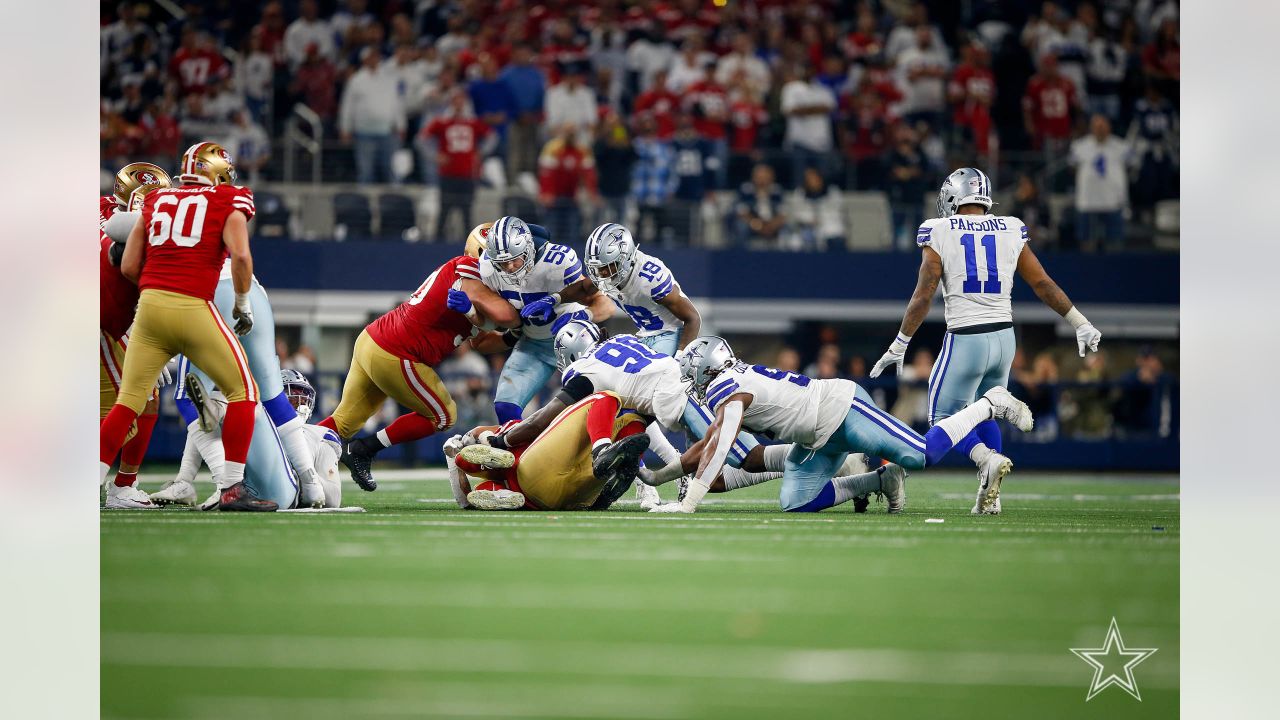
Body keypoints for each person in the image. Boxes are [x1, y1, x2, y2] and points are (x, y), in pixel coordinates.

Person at [868, 167, 1104, 514]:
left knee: (943, 419)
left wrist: (901, 342)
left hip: (967, 338)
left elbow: (924, 293)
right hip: (1005, 339)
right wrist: (1079, 322)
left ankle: (985, 461)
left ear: (953, 197)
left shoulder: (940, 229)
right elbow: (1042, 283)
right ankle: (993, 498)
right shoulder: (1010, 226)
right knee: (987, 410)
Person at [650, 336, 1035, 514]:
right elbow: (710, 446)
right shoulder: (732, 382)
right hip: (817, 436)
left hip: (842, 409)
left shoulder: (726, 389)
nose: (693, 384)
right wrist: (656, 478)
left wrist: (688, 505)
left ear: (706, 370)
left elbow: (719, 445)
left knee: (920, 455)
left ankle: (989, 404)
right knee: (794, 501)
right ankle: (877, 481)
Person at [100, 142, 274, 511]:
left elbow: (129, 266)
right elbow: (241, 256)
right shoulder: (230, 199)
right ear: (218, 173)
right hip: (192, 305)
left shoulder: (156, 201)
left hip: (148, 310)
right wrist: (242, 303)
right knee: (244, 391)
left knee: (128, 402)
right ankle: (231, 488)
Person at [316, 254, 519, 490]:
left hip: (373, 339)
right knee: (444, 415)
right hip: (396, 353)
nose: (508, 268)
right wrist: (525, 318)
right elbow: (508, 316)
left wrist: (498, 327)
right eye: (502, 260)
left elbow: (482, 340)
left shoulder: (467, 281)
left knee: (343, 422)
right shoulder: (469, 271)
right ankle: (364, 449)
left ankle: (293, 457)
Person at [476, 216, 612, 424]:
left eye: (515, 258)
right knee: (505, 406)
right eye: (503, 263)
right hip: (533, 343)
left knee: (599, 406)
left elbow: (605, 303)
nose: (510, 267)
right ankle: (521, 456)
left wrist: (584, 315)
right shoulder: (488, 269)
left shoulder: (557, 262)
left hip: (574, 341)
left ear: (529, 249)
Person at [99, 162, 173, 509]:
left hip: (110, 321)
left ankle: (125, 485)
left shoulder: (103, 208)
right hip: (100, 322)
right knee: (128, 403)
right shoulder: (137, 228)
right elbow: (139, 280)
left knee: (147, 396)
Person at [445, 392, 652, 512]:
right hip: (577, 495)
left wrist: (453, 457)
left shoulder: (509, 430)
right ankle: (611, 467)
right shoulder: (517, 427)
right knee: (617, 407)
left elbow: (464, 501)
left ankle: (501, 490)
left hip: (533, 491)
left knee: (467, 463)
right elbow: (532, 426)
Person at [576, 223, 701, 354]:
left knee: (652, 370)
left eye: (606, 267)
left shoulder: (650, 279)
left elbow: (693, 318)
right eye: (597, 268)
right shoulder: (606, 276)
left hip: (671, 333)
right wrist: (558, 299)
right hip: (644, 335)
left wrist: (681, 357)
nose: (602, 274)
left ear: (624, 259)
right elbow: (583, 289)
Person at [421, 89, 493, 242]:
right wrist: (435, 156)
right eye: (455, 101)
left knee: (467, 212)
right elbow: (422, 139)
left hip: (467, 173)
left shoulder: (472, 122)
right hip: (447, 173)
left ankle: (469, 247)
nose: (459, 105)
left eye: (461, 101)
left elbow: (492, 137)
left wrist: (480, 152)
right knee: (444, 210)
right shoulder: (442, 122)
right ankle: (437, 242)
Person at [339, 47, 405, 184]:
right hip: (364, 133)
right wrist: (345, 128)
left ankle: (395, 203)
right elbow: (347, 106)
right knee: (365, 171)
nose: (374, 59)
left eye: (376, 56)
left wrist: (401, 124)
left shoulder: (389, 78)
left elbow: (396, 102)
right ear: (364, 60)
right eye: (370, 56)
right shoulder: (356, 80)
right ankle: (363, 204)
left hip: (387, 132)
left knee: (391, 170)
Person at [1070, 114, 1131, 251]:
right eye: (1097, 127)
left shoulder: (1122, 147)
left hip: (1113, 203)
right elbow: (1072, 167)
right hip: (1087, 203)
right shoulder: (1079, 146)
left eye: (1103, 126)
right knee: (1086, 245)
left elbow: (1131, 166)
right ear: (1091, 128)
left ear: (1109, 127)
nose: (1100, 130)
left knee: (1114, 245)